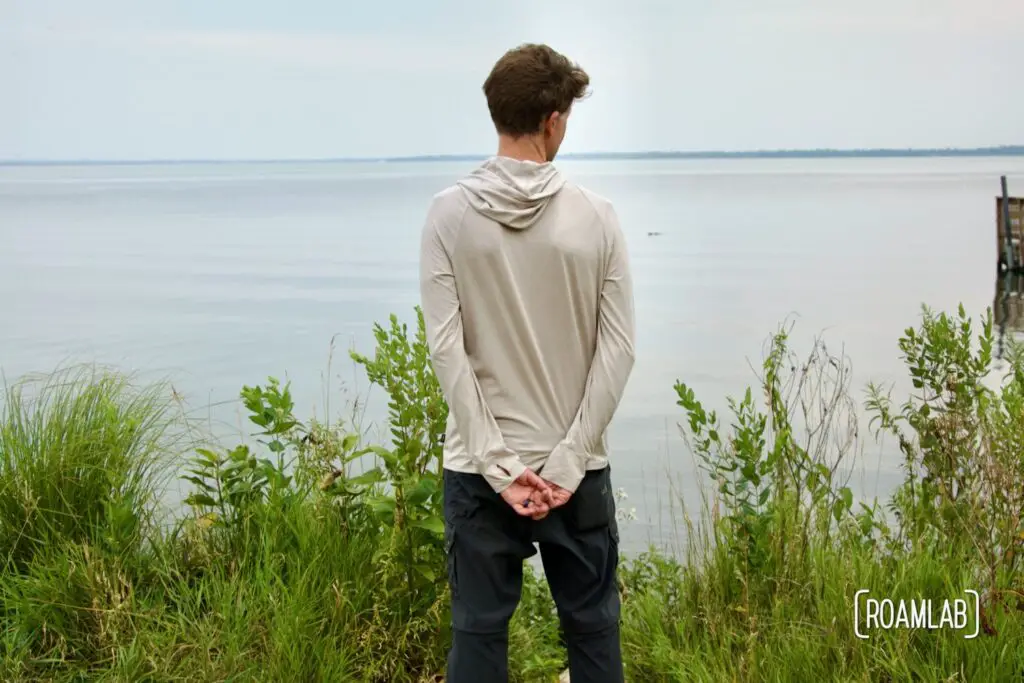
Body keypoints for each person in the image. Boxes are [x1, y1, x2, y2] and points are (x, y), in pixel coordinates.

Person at [418, 42, 636, 683]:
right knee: (593, 633)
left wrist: (499, 465)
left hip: (479, 474)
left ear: (496, 115)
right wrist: (566, 462)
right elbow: (617, 350)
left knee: (479, 639)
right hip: (577, 473)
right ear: (554, 120)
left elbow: (445, 352)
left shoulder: (447, 217)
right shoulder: (598, 219)